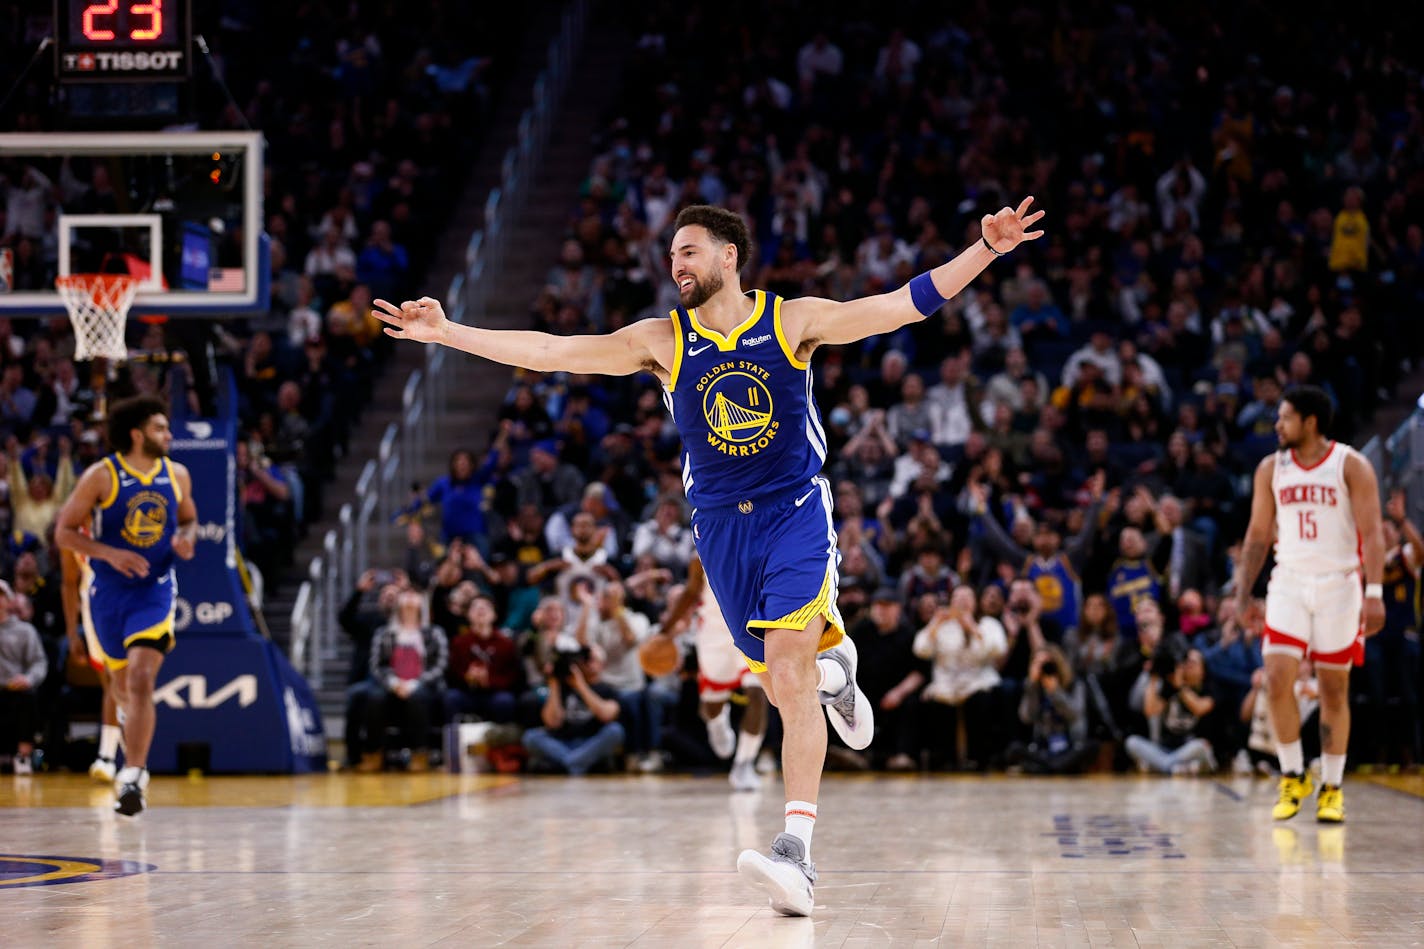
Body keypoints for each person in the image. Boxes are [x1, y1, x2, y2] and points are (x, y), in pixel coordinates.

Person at [374, 196, 1044, 916]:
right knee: (789, 681)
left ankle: (797, 853)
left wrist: (985, 251)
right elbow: (549, 351)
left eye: (689, 250)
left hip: (794, 512)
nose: (676, 264)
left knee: (783, 671)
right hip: (721, 530)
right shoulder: (663, 340)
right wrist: (448, 334)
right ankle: (834, 671)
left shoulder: (790, 321)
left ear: (729, 255)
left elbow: (898, 306)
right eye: (671, 255)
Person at [1235, 385, 1385, 824]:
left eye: (1284, 418)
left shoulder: (1350, 464)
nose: (1277, 425)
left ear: (1310, 421)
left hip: (1340, 583)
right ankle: (1293, 774)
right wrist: (1242, 593)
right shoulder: (1271, 468)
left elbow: (1373, 533)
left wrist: (1374, 594)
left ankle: (1332, 787)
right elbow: (1258, 535)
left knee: (1333, 688)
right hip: (1289, 582)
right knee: (1276, 678)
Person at [54, 395, 198, 815]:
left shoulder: (178, 476)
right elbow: (63, 533)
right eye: (160, 428)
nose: (168, 435)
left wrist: (186, 539)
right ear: (136, 434)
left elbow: (188, 517)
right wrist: (109, 553)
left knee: (139, 678)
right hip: (108, 594)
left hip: (153, 590)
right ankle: (124, 757)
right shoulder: (101, 476)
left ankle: (133, 775)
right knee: (120, 688)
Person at [655, 555, 769, 790]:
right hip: (714, 636)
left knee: (758, 694)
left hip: (751, 629)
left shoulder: (760, 541)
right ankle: (716, 723)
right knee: (711, 706)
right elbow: (690, 593)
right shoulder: (703, 552)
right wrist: (663, 632)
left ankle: (744, 763)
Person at [0, 579, 46, 775]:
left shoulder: (25, 630)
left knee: (28, 698)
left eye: (1, 594)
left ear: (9, 601)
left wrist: (28, 679)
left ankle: (23, 756)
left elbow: (39, 662)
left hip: (15, 689)